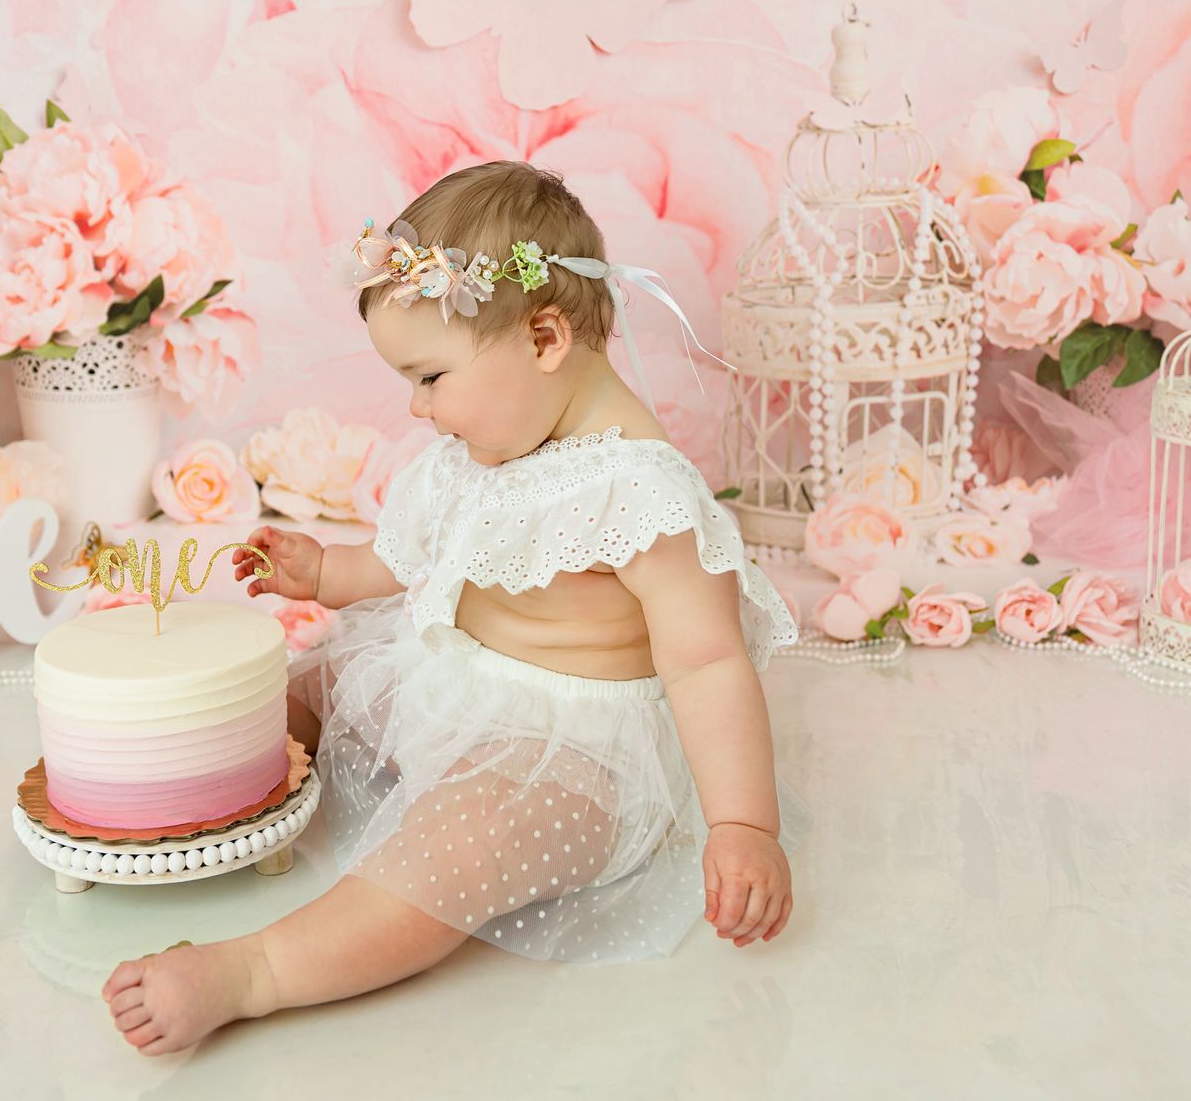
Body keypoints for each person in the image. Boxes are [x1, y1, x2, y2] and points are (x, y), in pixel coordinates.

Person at [102, 160, 802, 1054]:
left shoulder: (641, 492)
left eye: (429, 377)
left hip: (569, 753)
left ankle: (257, 970)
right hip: (450, 682)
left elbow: (707, 663)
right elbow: (418, 559)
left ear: (545, 337)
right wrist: (326, 571)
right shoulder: (494, 439)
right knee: (314, 679)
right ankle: (169, 778)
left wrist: (745, 824)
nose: (416, 405)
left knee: (454, 849)